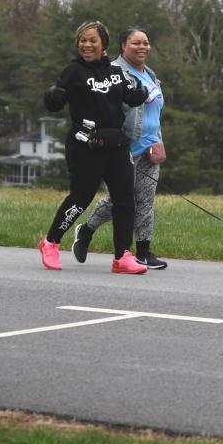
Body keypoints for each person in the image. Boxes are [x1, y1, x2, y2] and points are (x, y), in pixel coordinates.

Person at [39, 20, 149, 274]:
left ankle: (122, 256)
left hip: (116, 146)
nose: (87, 45)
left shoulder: (115, 72)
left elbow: (129, 97)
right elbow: (55, 102)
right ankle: (51, 242)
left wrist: (140, 92)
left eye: (92, 41)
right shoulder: (73, 71)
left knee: (125, 200)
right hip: (85, 146)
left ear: (103, 44)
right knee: (81, 198)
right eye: (82, 40)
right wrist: (52, 95)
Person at [71, 26, 169, 269]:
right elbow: (108, 111)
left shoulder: (150, 74)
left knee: (146, 199)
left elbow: (154, 112)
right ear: (123, 45)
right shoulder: (113, 72)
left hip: (149, 146)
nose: (142, 47)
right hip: (123, 147)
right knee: (120, 200)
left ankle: (143, 251)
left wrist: (158, 139)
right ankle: (86, 230)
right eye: (136, 43)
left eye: (145, 43)